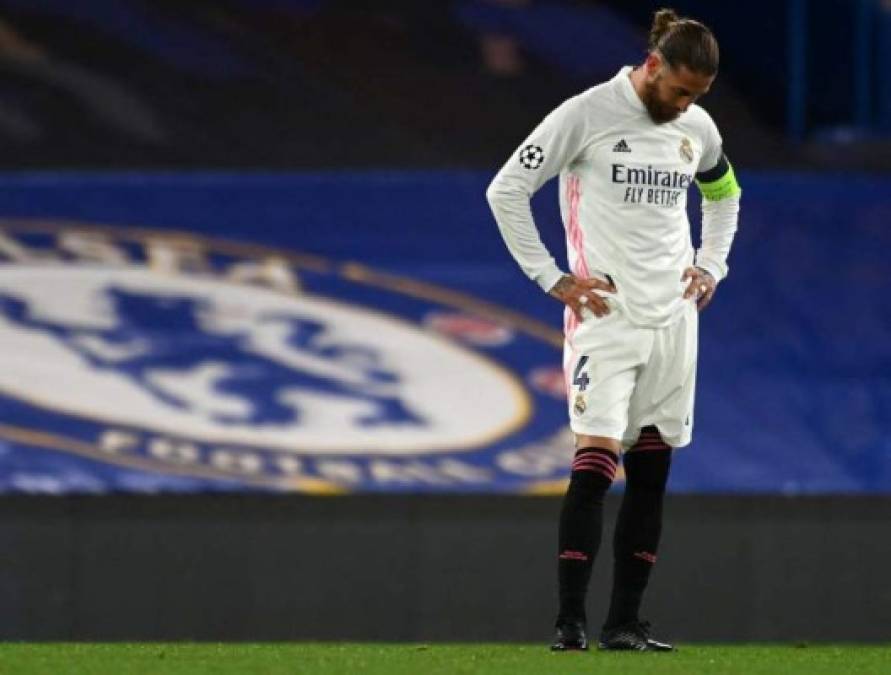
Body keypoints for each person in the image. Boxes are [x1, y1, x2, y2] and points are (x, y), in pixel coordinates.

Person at [485, 8, 741, 652]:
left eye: (697, 97)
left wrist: (711, 263)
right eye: (680, 91)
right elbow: (507, 189)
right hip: (606, 316)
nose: (686, 106)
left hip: (673, 321)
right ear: (652, 66)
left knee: (651, 472)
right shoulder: (585, 114)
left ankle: (624, 624)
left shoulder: (698, 128)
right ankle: (570, 622)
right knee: (596, 465)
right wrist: (552, 278)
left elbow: (724, 193)